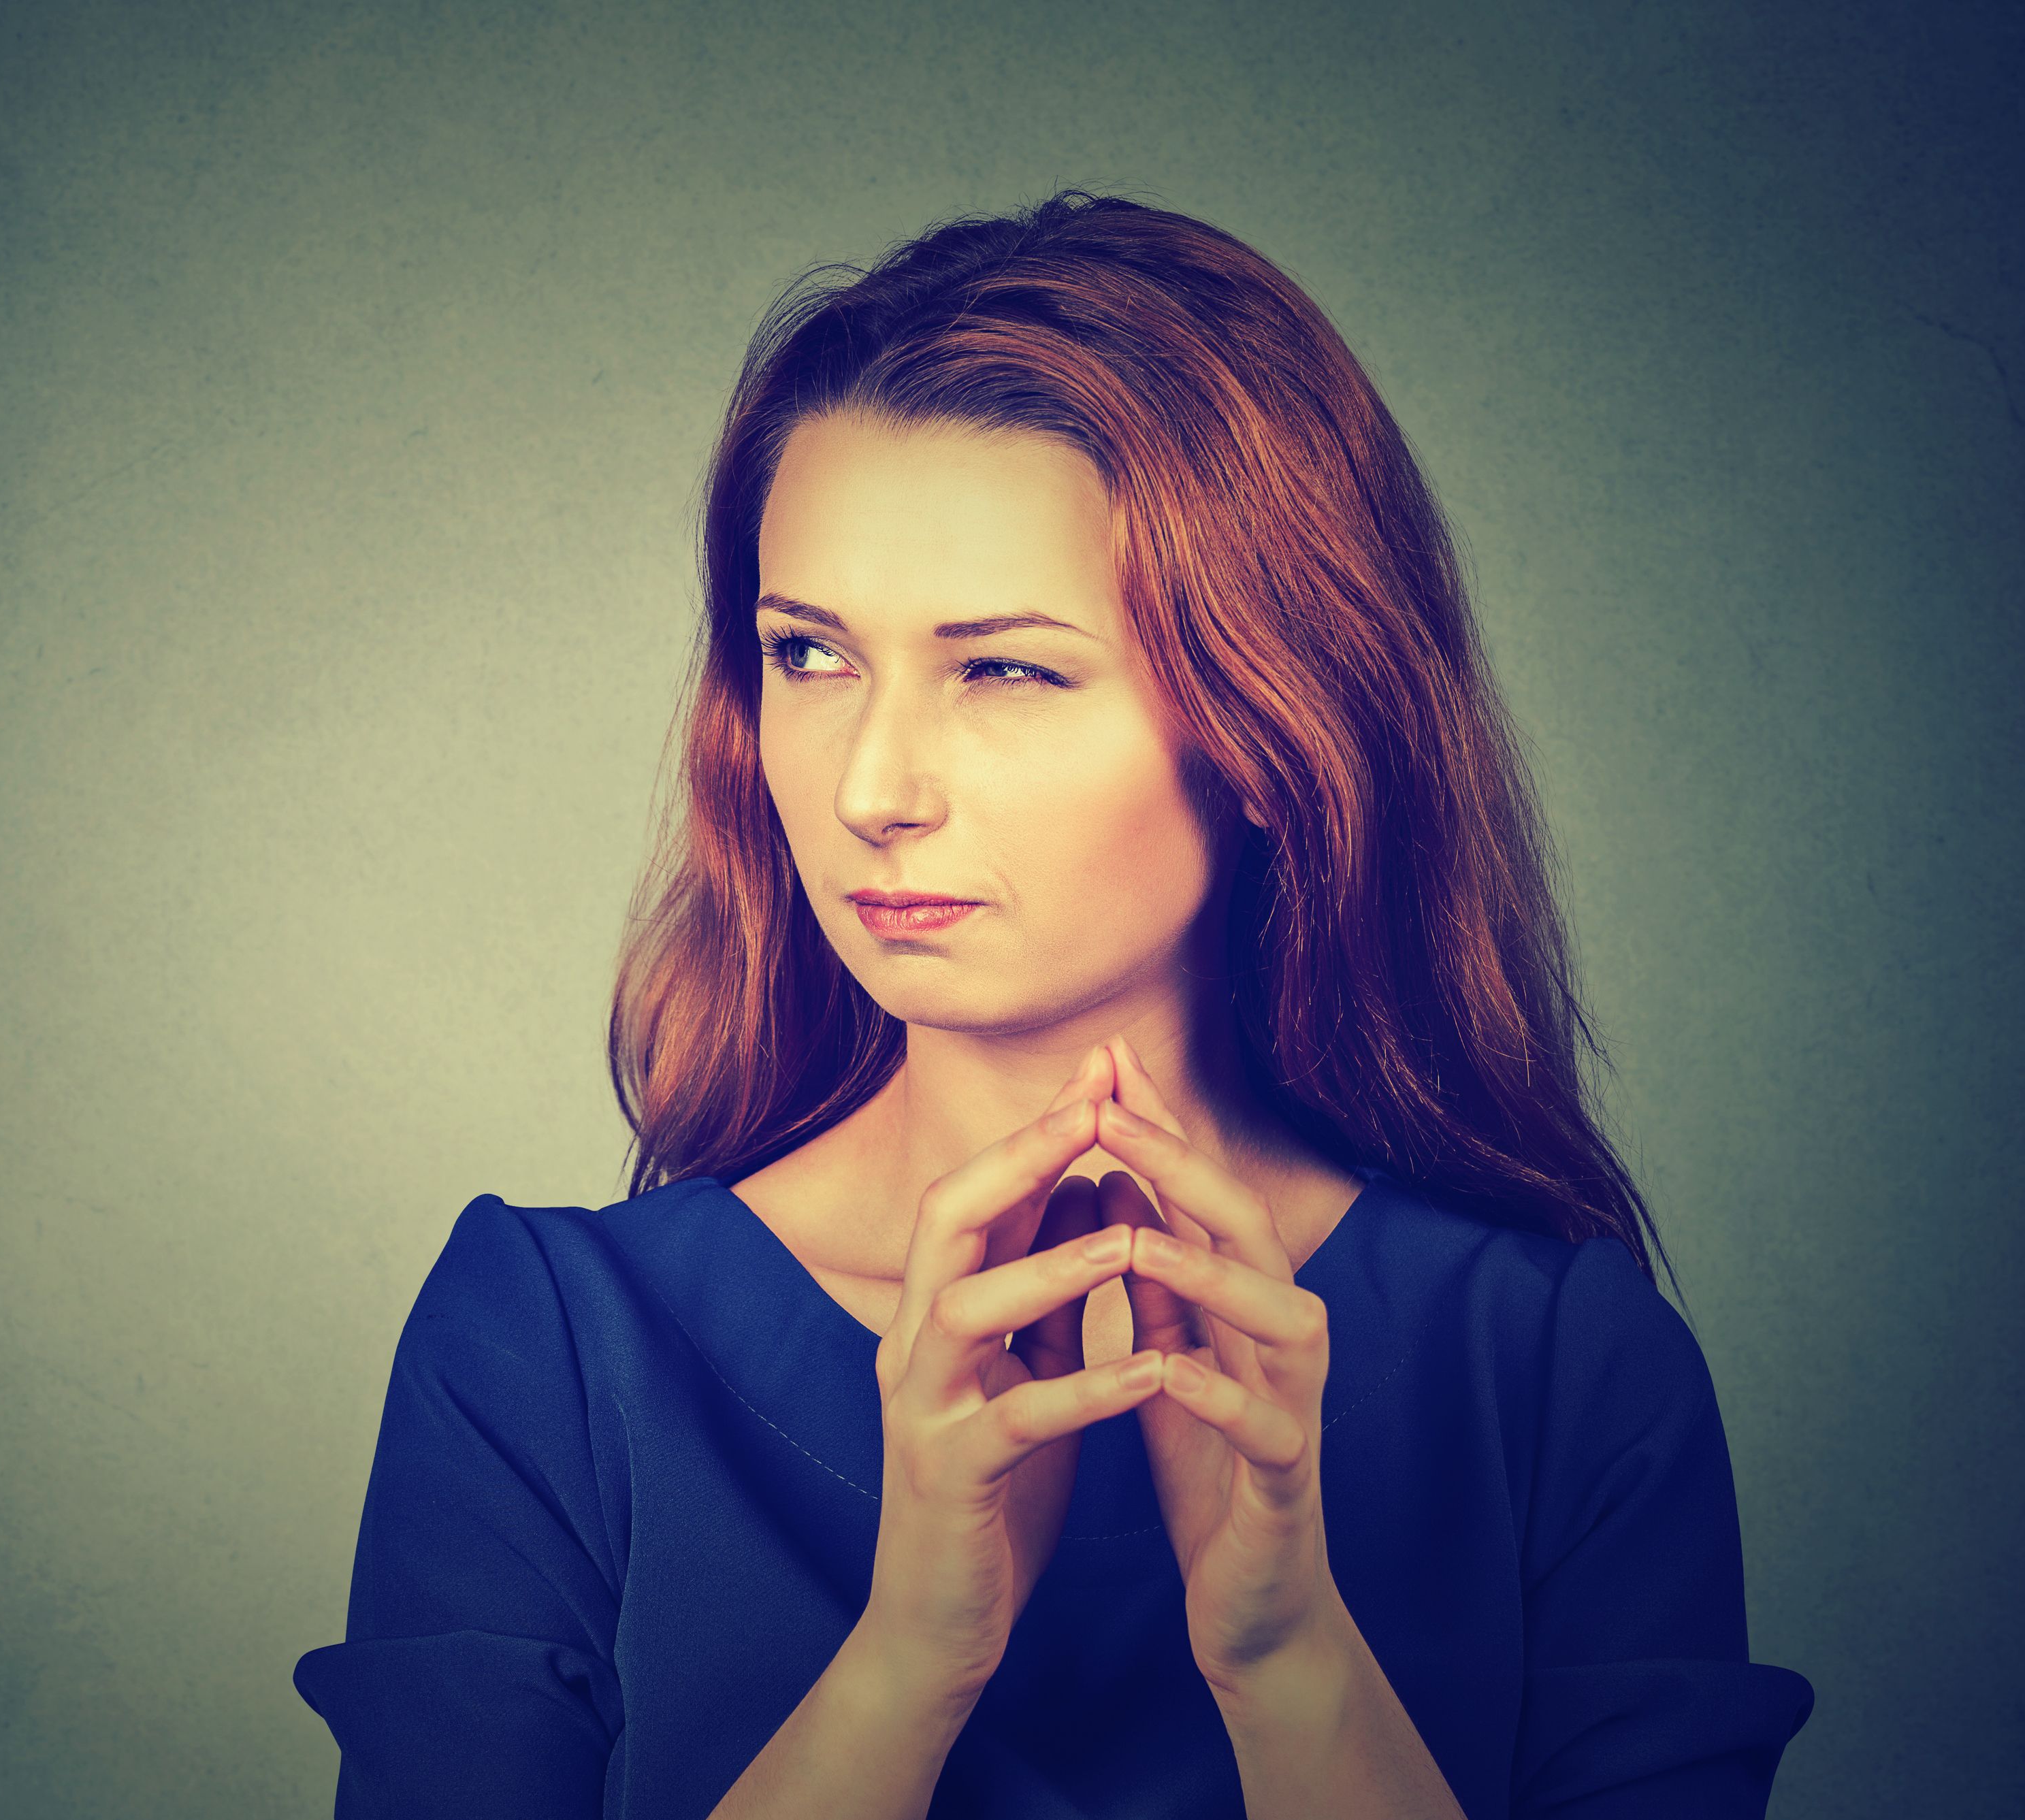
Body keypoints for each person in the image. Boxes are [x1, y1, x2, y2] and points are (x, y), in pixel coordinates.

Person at [293, 192, 1815, 1818]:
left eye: (1003, 668)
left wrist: (1291, 1665)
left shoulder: (1559, 1370)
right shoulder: (550, 1342)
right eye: (806, 655)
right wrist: (902, 1666)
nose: (870, 786)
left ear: (1277, 722)